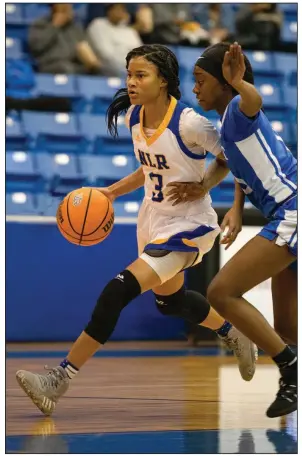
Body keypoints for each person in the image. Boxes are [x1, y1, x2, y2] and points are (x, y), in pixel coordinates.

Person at [15, 44, 257, 416]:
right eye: (129, 74)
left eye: (140, 75)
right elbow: (150, 168)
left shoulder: (189, 122)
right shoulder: (134, 117)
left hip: (189, 224)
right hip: (153, 219)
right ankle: (233, 334)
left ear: (163, 81)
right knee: (170, 302)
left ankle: (58, 380)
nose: (131, 82)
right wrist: (111, 192)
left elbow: (230, 157)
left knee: (117, 291)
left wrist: (204, 186)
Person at [166, 42, 297, 418]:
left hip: (293, 212)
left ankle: (291, 372)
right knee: (286, 331)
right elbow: (234, 166)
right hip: (285, 214)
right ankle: (292, 368)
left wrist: (241, 83)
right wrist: (235, 209)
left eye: (201, 80)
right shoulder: (227, 127)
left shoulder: (239, 109)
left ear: (224, 83)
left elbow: (252, 101)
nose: (194, 89)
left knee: (221, 292)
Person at [29, 3, 102, 75]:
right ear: (54, 7)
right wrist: (55, 26)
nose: (68, 7)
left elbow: (83, 47)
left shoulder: (75, 27)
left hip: (74, 63)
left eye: (69, 6)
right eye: (64, 6)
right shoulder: (40, 24)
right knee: (65, 68)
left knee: (99, 70)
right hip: (50, 64)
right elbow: (37, 47)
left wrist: (91, 61)